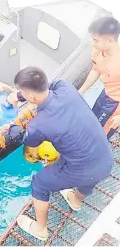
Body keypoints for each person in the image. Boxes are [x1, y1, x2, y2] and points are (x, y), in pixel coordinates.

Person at [6, 66, 113, 241]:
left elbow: (26, 139)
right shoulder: (65, 87)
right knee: (82, 162)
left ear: (31, 97)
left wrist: (11, 126)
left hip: (83, 171)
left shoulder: (39, 124)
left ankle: (41, 229)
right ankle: (76, 200)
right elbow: (49, 85)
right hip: (105, 160)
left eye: (23, 93)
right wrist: (18, 95)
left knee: (39, 183)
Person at [79, 16, 120, 139]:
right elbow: (95, 70)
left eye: (96, 40)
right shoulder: (97, 51)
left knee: (101, 134)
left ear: (110, 40)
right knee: (93, 121)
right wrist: (81, 91)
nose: (92, 43)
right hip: (105, 93)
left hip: (116, 103)